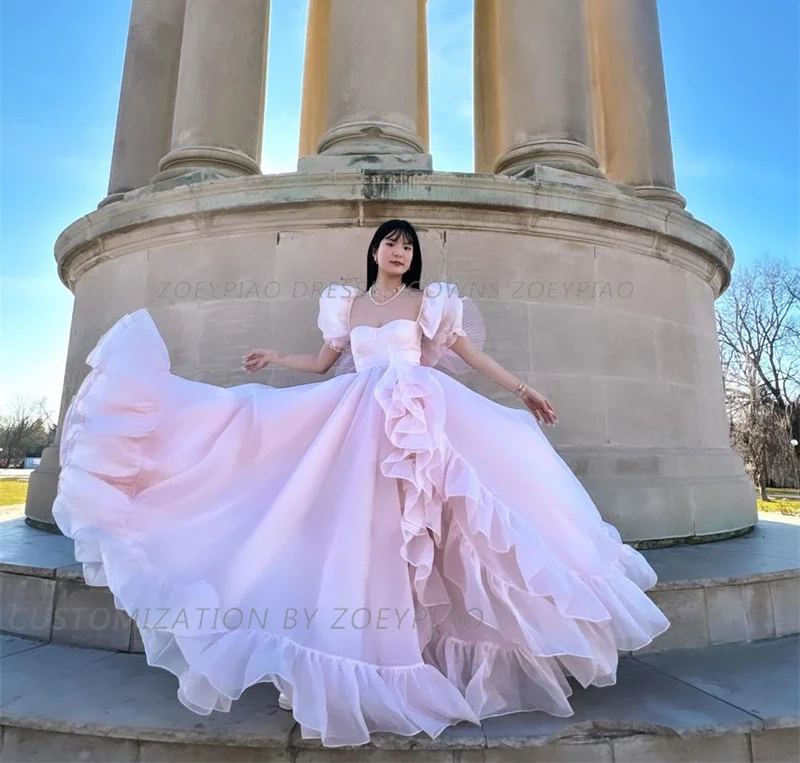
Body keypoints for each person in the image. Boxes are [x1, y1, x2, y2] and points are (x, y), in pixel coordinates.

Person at [53, 218, 669, 748]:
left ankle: (439, 650)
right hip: (358, 420)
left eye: (407, 245)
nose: (398, 252)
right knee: (370, 531)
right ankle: (374, 648)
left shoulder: (430, 304)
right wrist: (276, 359)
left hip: (423, 420)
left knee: (445, 527)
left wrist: (522, 390)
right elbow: (324, 364)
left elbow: (470, 358)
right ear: (374, 250)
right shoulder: (346, 305)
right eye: (389, 243)